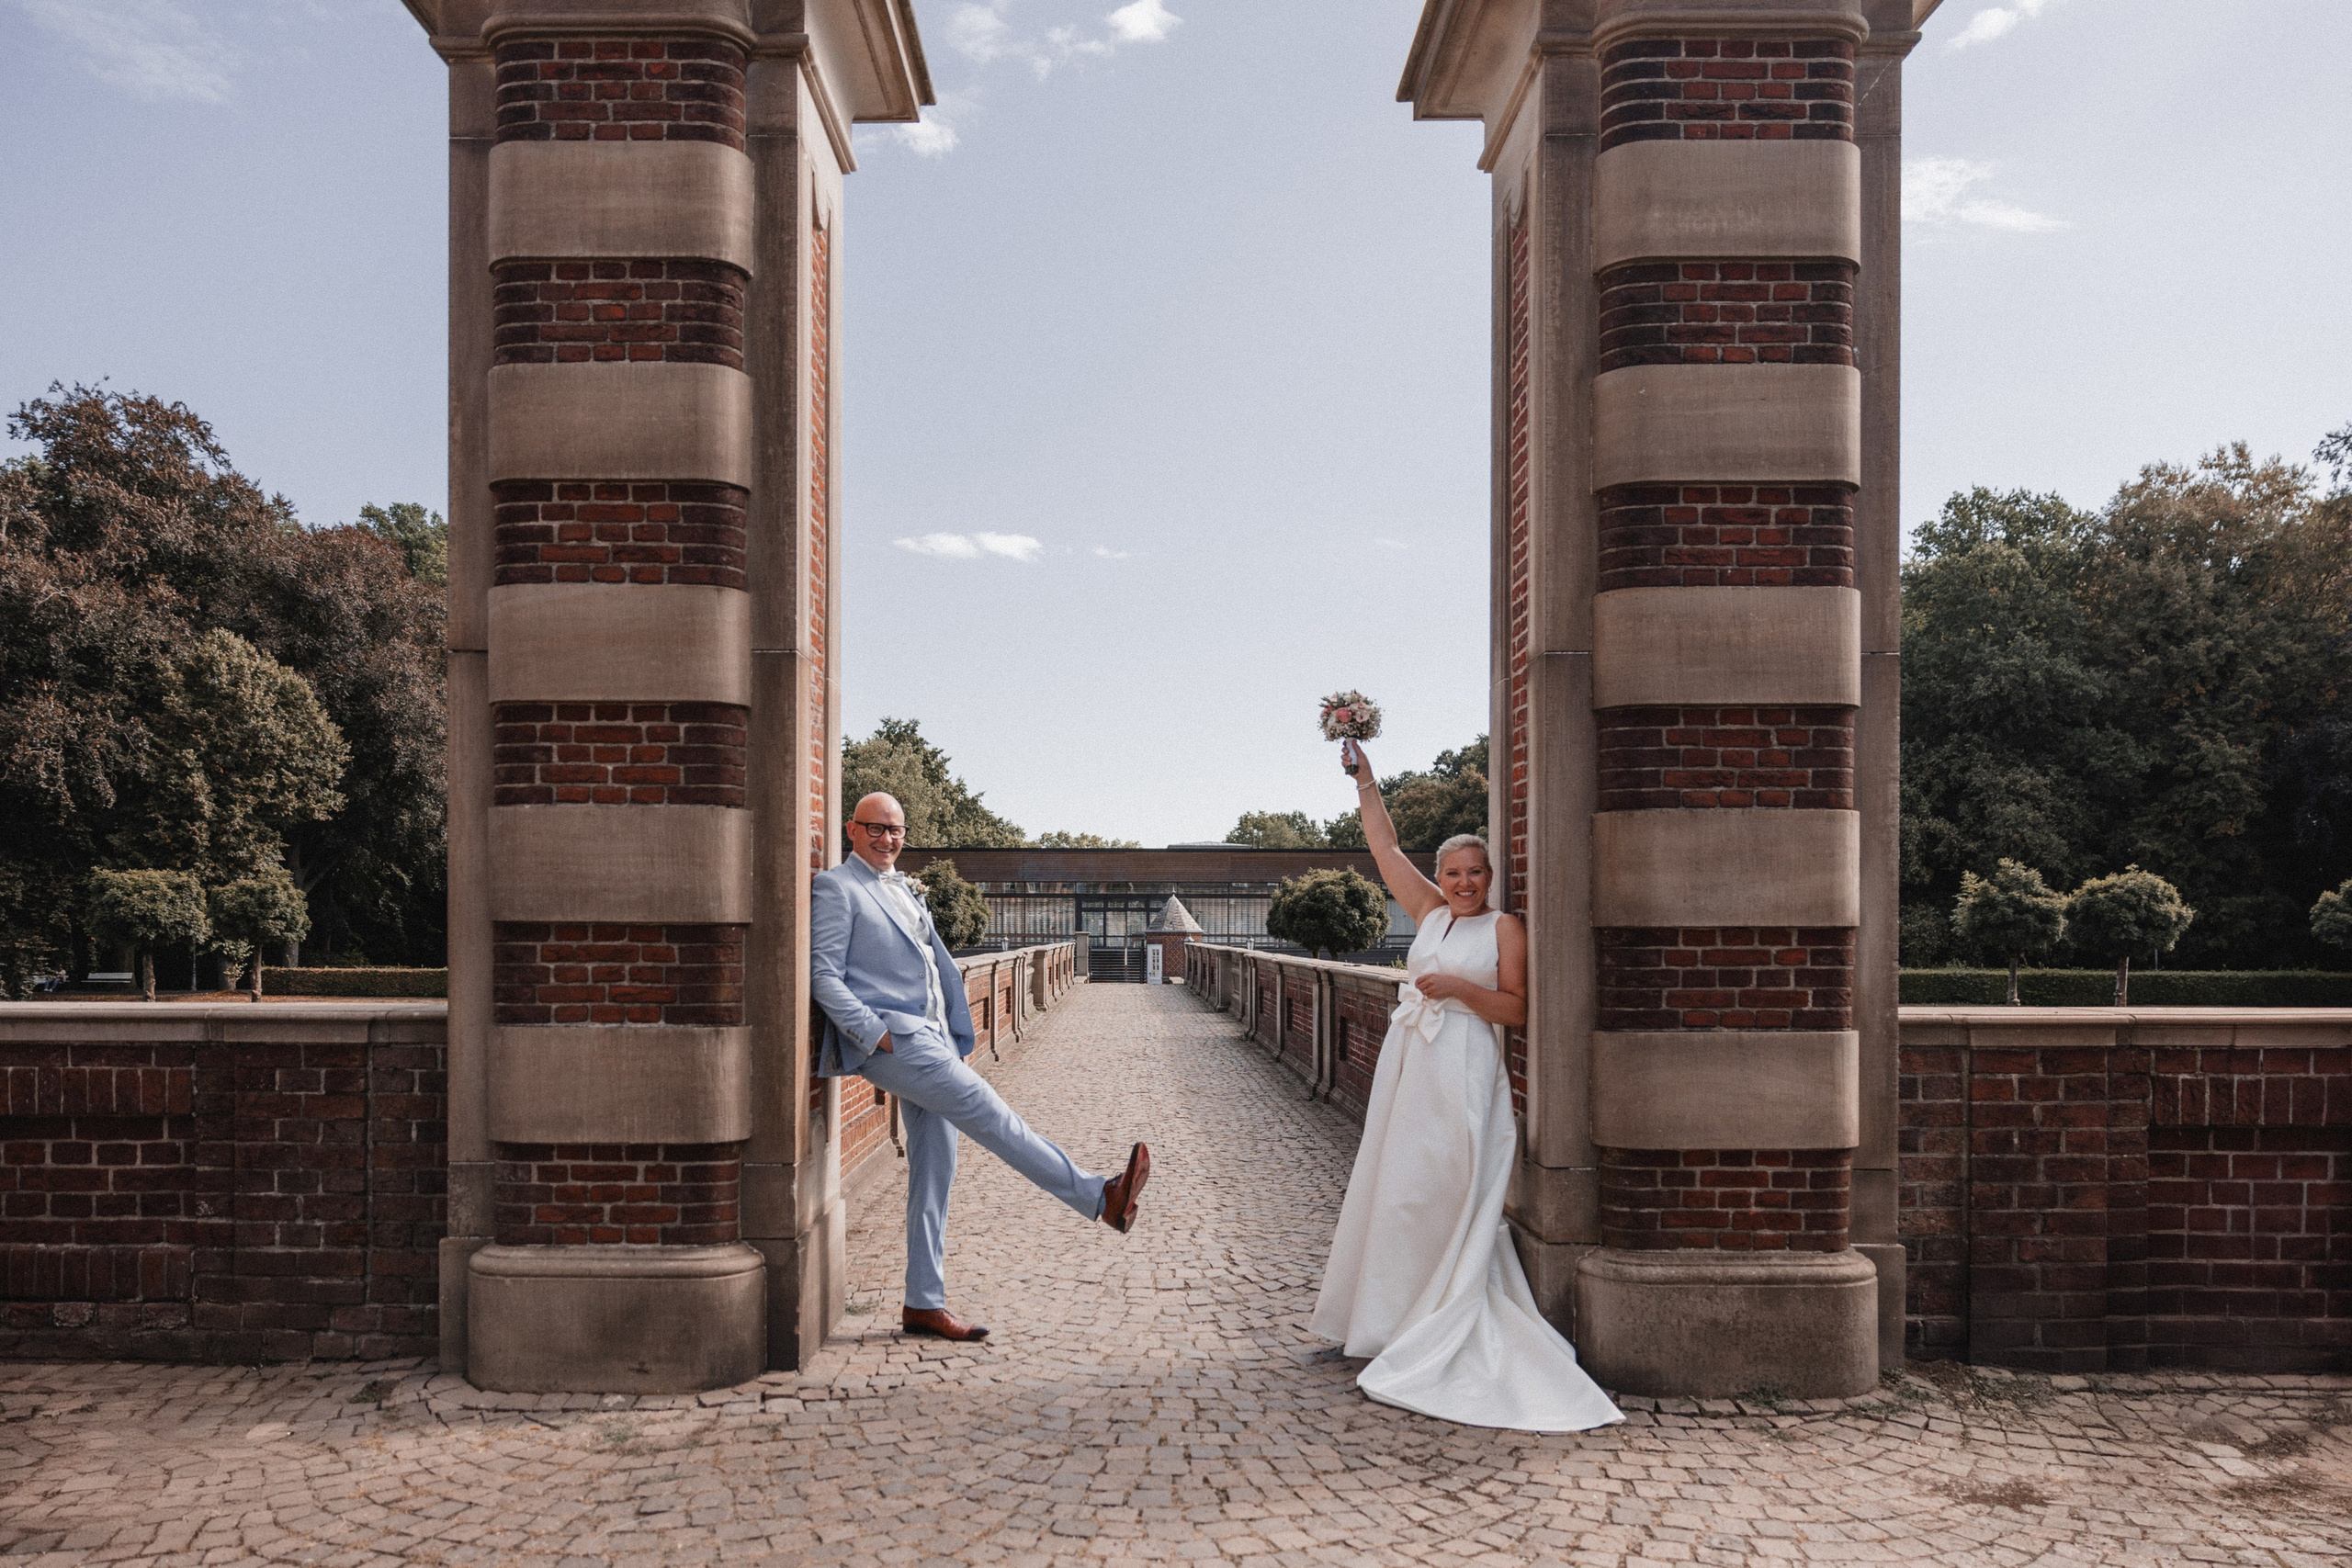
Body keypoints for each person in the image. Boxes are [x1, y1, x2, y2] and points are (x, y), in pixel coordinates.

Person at [1309, 739, 1621, 1432]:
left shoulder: (1504, 927)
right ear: (1441, 878)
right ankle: (1387, 1320)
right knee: (1400, 1190)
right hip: (1411, 1066)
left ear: (1489, 876)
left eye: (1475, 871)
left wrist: (1456, 989)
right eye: (1453, 872)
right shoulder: (1429, 912)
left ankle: (1439, 1314)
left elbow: (1515, 1008)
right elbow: (1386, 850)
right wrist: (1365, 780)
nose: (1464, 882)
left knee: (1444, 1189)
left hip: (1465, 1068)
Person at [811, 792, 1152, 1342]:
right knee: (994, 1117)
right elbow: (823, 975)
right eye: (875, 828)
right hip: (897, 1042)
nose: (887, 839)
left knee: (934, 1173)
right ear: (852, 830)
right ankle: (1100, 1197)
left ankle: (923, 1303)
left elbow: (931, 965)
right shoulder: (837, 887)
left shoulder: (904, 888)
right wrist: (874, 1034)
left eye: (896, 830)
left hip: (935, 1038)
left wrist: (951, 1030)